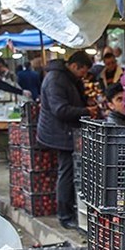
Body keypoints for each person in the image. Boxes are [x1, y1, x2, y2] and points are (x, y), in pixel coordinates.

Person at [36, 51, 97, 230]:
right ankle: (65, 215)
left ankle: (70, 210)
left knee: (69, 171)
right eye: (83, 71)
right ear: (75, 66)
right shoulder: (56, 79)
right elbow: (60, 110)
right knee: (67, 171)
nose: (83, 75)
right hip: (59, 133)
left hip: (67, 131)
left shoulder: (68, 78)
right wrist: (86, 111)